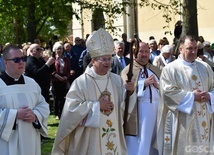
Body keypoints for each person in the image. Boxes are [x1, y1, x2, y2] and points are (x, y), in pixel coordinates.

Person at [52, 28, 136, 155]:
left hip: (113, 135)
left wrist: (130, 92)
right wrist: (96, 106)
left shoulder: (116, 80)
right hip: (90, 138)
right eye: (103, 59)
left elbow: (123, 107)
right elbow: (71, 111)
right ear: (93, 61)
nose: (108, 63)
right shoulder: (81, 83)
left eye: (109, 59)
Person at [157, 35, 214, 154]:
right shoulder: (171, 69)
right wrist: (192, 96)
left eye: (195, 48)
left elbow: (213, 87)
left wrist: (210, 96)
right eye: (189, 48)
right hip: (183, 121)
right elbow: (167, 92)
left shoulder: (205, 67)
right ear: (181, 49)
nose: (193, 52)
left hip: (204, 120)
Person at [0, 46, 50, 155]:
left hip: (31, 139)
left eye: (23, 59)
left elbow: (43, 105)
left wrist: (36, 115)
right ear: (6, 63)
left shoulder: (32, 83)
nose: (21, 62)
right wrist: (15, 115)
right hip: (6, 143)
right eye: (16, 60)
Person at [121, 41, 161, 155]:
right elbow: (124, 92)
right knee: (141, 143)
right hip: (139, 112)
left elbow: (166, 89)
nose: (144, 54)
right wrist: (143, 84)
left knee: (154, 143)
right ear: (134, 53)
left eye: (146, 52)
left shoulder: (155, 69)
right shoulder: (128, 70)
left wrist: (159, 86)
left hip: (157, 110)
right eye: (141, 52)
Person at [52, 42, 71, 119]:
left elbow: (69, 69)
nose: (59, 50)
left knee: (63, 97)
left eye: (61, 48)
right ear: (55, 50)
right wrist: (58, 76)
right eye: (58, 49)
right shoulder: (53, 59)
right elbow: (52, 70)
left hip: (64, 81)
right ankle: (57, 113)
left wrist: (66, 77)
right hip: (56, 80)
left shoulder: (66, 59)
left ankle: (62, 112)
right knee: (56, 98)